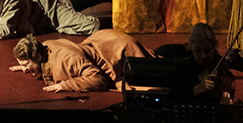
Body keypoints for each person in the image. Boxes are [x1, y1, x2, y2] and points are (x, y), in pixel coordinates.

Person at [12, 29, 152, 93]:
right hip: (104, 41)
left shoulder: (68, 60)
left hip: (119, 52)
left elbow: (98, 79)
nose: (25, 68)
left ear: (38, 56)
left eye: (26, 63)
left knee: (155, 63)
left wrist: (66, 85)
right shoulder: (44, 46)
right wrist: (29, 66)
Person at [153, 22, 243, 99]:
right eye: (198, 50)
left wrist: (227, 106)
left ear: (214, 46)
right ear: (190, 47)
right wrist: (197, 89)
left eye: (208, 50)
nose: (203, 56)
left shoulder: (221, 70)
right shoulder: (183, 69)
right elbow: (172, 98)